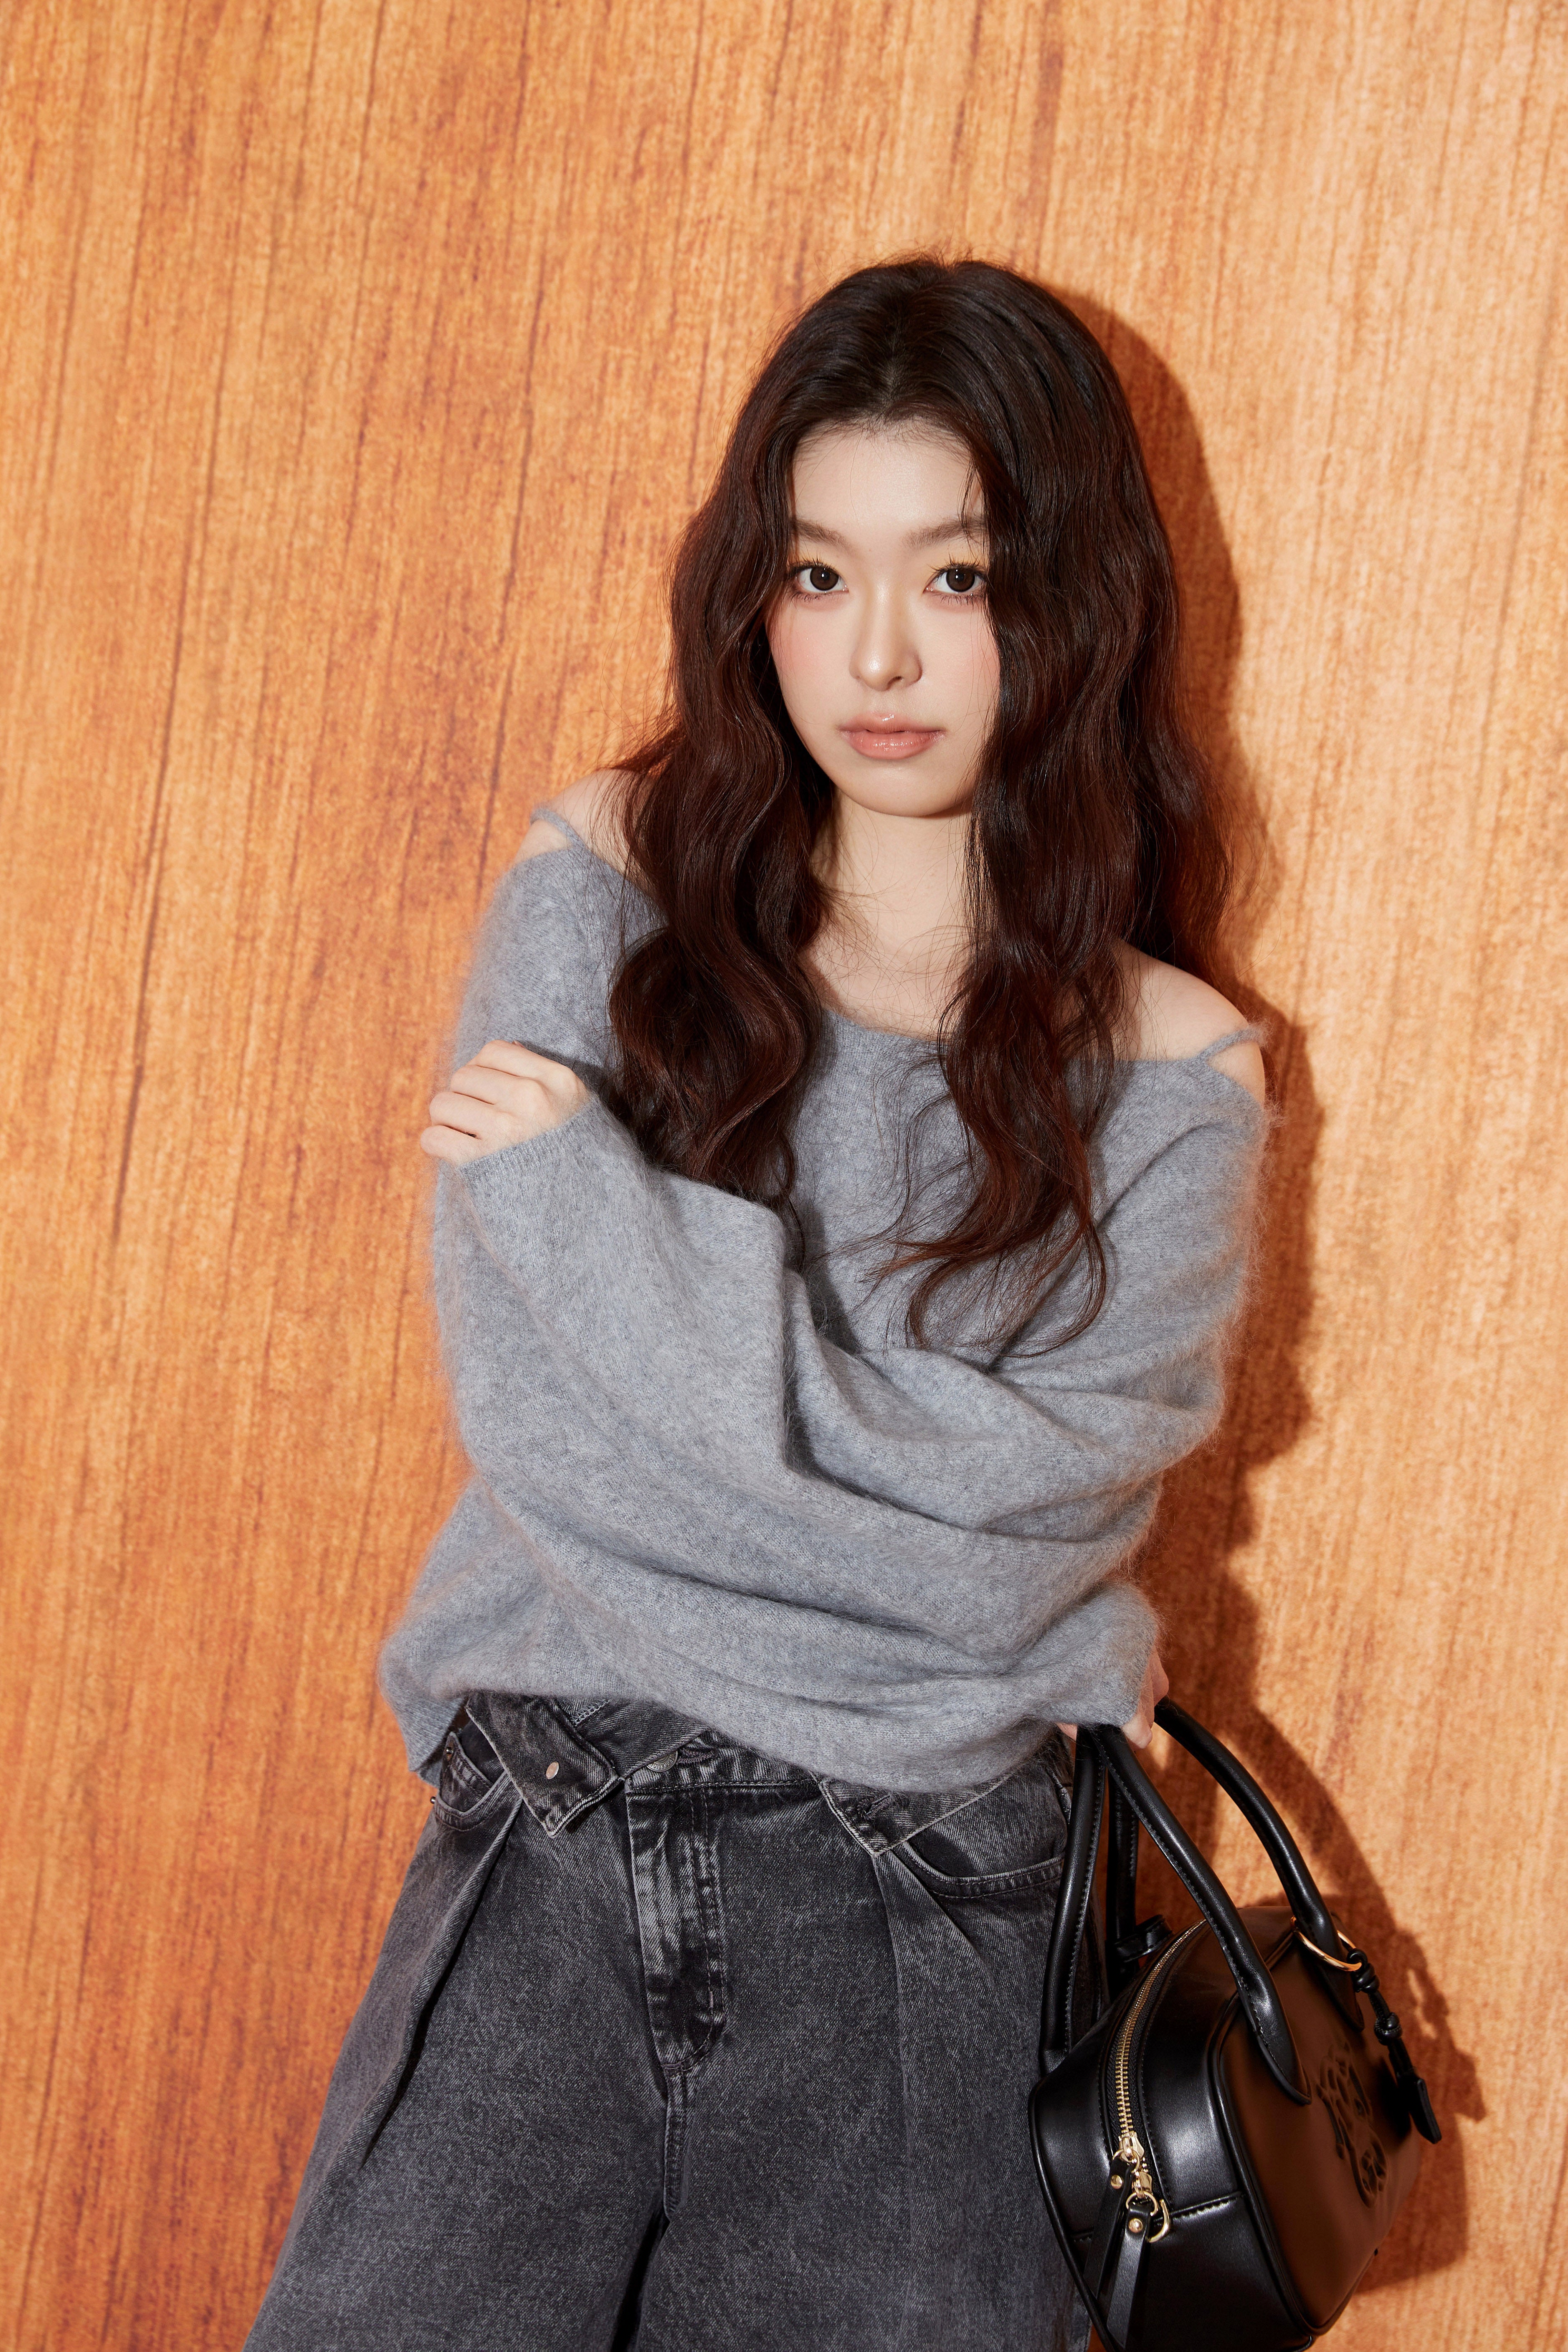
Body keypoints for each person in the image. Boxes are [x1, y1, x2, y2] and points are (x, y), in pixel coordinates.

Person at [245, 257, 1267, 2352]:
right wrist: (889, 1507)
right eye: (818, 571)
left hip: (932, 1918)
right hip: (552, 1846)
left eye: (958, 576)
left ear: (1074, 602)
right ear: (753, 590)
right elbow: (543, 1432)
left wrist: (610, 1228)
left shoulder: (1178, 1076)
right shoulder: (609, 883)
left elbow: (1010, 1558)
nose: (878, 653)